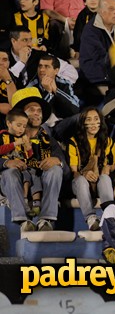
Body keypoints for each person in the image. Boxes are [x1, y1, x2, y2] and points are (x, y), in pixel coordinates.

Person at [3, 87, 64, 232]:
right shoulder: (6, 137)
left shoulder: (49, 141)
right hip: (15, 180)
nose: (37, 113)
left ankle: (46, 220)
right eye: (31, 109)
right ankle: (22, 220)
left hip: (40, 184)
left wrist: (57, 161)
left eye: (39, 110)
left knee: (56, 170)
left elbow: (66, 170)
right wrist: (7, 162)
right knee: (9, 172)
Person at [67, 107, 115, 231]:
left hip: (99, 183)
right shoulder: (74, 141)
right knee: (80, 180)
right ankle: (91, 218)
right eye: (89, 120)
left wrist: (108, 167)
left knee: (105, 178)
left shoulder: (108, 141)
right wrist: (84, 174)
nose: (93, 123)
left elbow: (114, 164)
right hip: (80, 184)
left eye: (96, 119)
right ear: (83, 123)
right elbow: (74, 172)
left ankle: (109, 216)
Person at [79, 0, 115, 86]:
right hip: (96, 75)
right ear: (101, 12)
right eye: (111, 9)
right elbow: (100, 58)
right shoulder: (91, 30)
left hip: (112, 71)